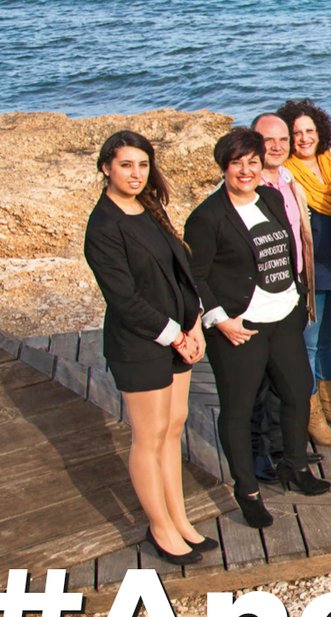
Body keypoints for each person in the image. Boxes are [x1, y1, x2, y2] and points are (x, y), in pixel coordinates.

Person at [187, 127, 331, 530]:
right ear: (223, 167)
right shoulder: (207, 217)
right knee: (239, 408)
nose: (246, 170)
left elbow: (288, 250)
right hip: (240, 327)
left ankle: (295, 465)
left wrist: (297, 296)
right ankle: (247, 491)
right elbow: (194, 277)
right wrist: (219, 319)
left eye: (252, 162)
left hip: (283, 317)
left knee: (297, 392)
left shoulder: (269, 197)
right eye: (237, 163)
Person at [84, 130, 214, 564]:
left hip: (179, 333)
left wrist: (194, 323)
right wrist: (176, 335)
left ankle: (179, 519)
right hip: (140, 342)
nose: (136, 173)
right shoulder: (103, 226)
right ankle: (159, 527)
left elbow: (182, 269)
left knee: (174, 426)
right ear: (107, 167)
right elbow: (123, 298)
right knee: (150, 435)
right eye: (126, 165)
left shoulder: (150, 206)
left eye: (142, 165)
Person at [248, 112, 329, 489]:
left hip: (293, 289)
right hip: (258, 298)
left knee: (289, 379)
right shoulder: (246, 186)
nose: (278, 146)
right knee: (259, 382)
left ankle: (286, 450)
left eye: (283, 139)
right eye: (269, 140)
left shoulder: (288, 180)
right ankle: (260, 453)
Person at [279, 99, 331, 439]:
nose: (304, 138)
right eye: (296, 133)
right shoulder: (286, 174)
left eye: (309, 131)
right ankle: (312, 417)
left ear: (320, 132)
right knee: (310, 344)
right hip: (312, 272)